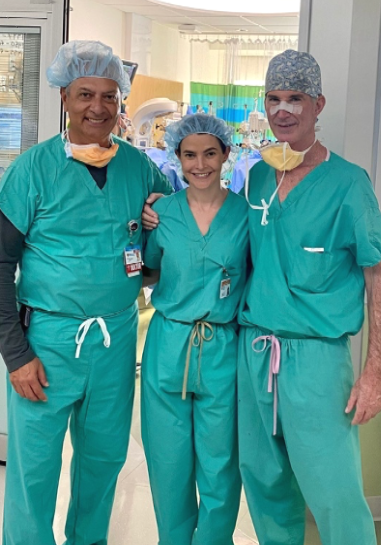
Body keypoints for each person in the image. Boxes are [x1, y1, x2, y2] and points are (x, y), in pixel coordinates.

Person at [0, 40, 172, 545]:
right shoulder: (32, 170)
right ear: (64, 96)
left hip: (114, 341)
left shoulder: (139, 168)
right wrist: (16, 354)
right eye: (86, 93)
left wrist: (158, 225)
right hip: (47, 341)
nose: (98, 107)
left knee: (103, 462)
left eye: (109, 96)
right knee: (35, 470)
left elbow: (166, 239)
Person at [237, 50, 381, 545]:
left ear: (318, 104)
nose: (283, 110)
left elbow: (380, 278)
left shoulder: (349, 184)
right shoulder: (258, 177)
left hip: (317, 361)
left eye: (295, 99)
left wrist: (374, 374)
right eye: (274, 98)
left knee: (334, 492)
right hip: (255, 350)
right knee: (264, 484)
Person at [141, 113, 249, 545]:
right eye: (189, 155)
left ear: (227, 154)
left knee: (221, 468)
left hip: (222, 349)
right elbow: (148, 271)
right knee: (168, 466)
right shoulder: (161, 213)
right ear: (177, 157)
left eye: (209, 153)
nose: (199, 164)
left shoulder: (245, 214)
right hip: (168, 344)